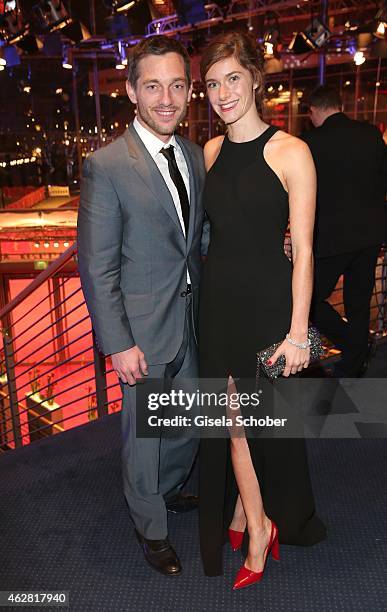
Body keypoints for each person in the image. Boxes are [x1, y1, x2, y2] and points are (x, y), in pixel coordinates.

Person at [198, 32, 326, 588]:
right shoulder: (210, 152)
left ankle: (258, 527)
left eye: (232, 78)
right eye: (211, 83)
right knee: (231, 420)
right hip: (218, 302)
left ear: (254, 78)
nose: (223, 92)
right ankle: (249, 517)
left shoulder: (292, 152)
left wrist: (299, 333)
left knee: (251, 423)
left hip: (268, 303)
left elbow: (304, 249)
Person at [77, 35, 208, 577]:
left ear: (188, 89)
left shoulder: (195, 155)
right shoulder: (106, 165)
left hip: (189, 323)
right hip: (140, 335)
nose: (166, 98)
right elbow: (97, 265)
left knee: (186, 427)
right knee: (145, 440)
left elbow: (194, 242)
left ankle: (168, 490)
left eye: (176, 85)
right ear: (131, 91)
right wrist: (119, 342)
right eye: (152, 85)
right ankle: (150, 527)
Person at [302, 85, 387, 377]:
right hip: (370, 235)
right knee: (359, 302)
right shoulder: (371, 135)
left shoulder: (310, 142)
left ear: (314, 109)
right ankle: (355, 359)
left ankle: (353, 345)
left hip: (331, 238)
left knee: (308, 300)